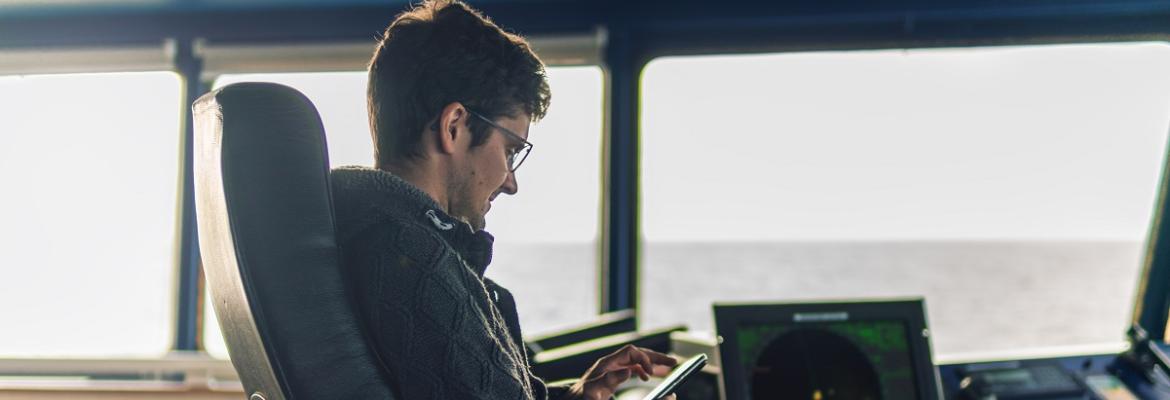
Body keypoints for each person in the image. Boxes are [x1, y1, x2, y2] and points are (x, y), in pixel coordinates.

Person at [329, 1, 678, 399]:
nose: (510, 182)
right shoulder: (410, 259)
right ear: (455, 126)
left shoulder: (373, 232)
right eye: (510, 150)